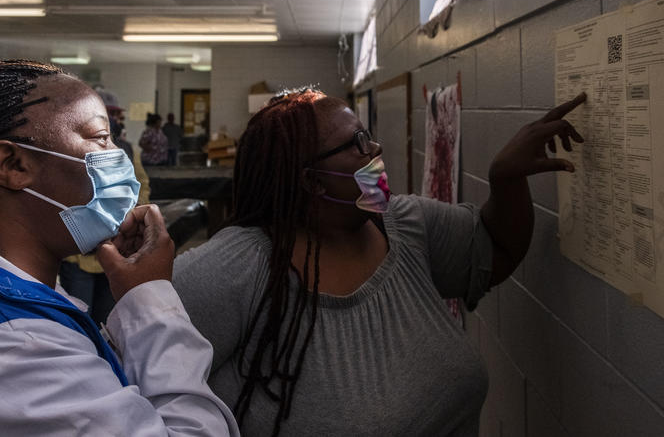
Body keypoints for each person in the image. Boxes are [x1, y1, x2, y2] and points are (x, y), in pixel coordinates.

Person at [173, 88, 586, 436]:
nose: (375, 149)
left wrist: (506, 181)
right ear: (312, 181)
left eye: (367, 136)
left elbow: (495, 253)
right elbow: (136, 369)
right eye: (357, 144)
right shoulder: (238, 269)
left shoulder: (405, 225)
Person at [0, 59, 239, 435]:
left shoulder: (31, 293)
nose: (119, 158)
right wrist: (149, 297)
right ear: (14, 165)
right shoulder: (21, 344)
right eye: (99, 138)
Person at [60, 87, 152, 325]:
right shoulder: (70, 153)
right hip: (80, 256)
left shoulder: (127, 150)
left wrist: (131, 211)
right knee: (79, 322)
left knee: (108, 323)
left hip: (115, 252)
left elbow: (141, 184)